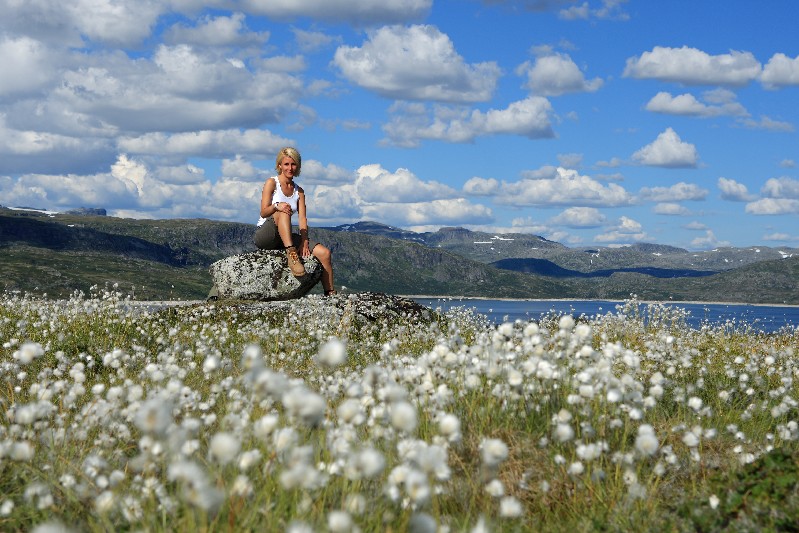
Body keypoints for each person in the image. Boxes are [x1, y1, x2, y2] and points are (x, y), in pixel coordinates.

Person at [254, 147, 336, 295]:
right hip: (266, 235)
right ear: (279, 165)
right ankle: (292, 255)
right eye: (286, 164)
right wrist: (276, 206)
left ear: (297, 166)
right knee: (284, 210)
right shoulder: (272, 183)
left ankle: (330, 292)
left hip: (285, 236)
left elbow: (302, 218)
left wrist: (304, 241)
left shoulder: (299, 191)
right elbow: (264, 211)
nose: (290, 168)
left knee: (324, 253)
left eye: (293, 164)